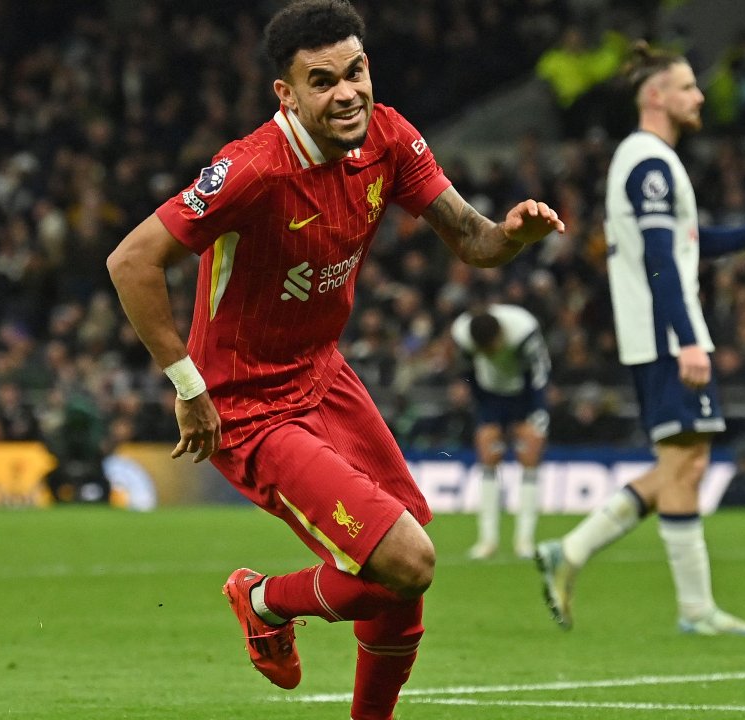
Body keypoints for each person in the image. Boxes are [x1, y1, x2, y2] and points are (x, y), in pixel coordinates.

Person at [105, 3, 564, 718]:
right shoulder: (251, 169)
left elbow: (472, 240)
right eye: (322, 81)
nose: (347, 92)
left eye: (356, 71)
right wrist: (187, 384)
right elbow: (132, 260)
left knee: (402, 583)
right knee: (405, 562)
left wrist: (512, 236)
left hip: (324, 377)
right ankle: (260, 599)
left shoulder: (388, 135)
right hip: (250, 406)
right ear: (286, 94)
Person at [534, 42, 745, 637]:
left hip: (659, 332)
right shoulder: (649, 162)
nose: (699, 96)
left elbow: (686, 243)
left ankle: (570, 552)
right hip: (663, 335)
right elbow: (660, 258)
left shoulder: (651, 160)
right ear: (656, 96)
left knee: (686, 462)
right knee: (685, 466)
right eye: (687, 87)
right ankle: (695, 609)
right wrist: (686, 339)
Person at [450, 304, 551, 559]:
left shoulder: (524, 331)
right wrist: (479, 406)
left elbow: (540, 373)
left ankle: (524, 540)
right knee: (488, 458)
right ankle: (487, 540)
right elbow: (467, 370)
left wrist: (538, 412)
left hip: (524, 397)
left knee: (529, 458)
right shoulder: (462, 333)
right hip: (490, 398)